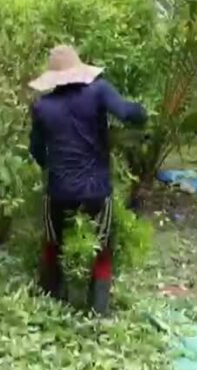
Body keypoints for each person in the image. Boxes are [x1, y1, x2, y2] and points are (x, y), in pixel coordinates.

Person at [28, 45, 147, 316]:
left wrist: (55, 166)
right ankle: (99, 310)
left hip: (58, 190)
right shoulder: (99, 91)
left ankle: (52, 297)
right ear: (78, 69)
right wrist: (142, 114)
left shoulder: (42, 107)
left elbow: (36, 150)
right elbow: (128, 113)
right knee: (103, 245)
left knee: (52, 241)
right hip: (96, 190)